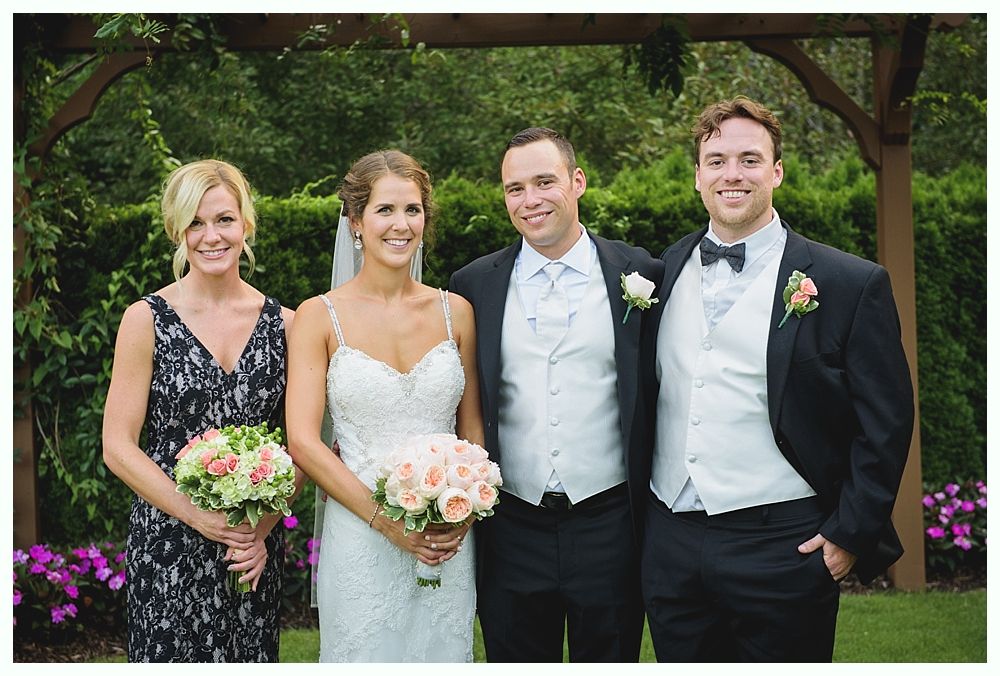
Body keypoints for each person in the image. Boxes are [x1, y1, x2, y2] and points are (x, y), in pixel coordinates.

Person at [639, 96, 914, 662]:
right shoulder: (660, 271)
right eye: (715, 160)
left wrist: (848, 533)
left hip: (784, 541)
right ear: (697, 175)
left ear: (777, 172)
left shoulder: (848, 282)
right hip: (672, 538)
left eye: (749, 159)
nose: (731, 174)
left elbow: (885, 421)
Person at [449, 127, 661, 662]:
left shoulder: (641, 273)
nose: (530, 200)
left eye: (545, 182)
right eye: (514, 188)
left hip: (610, 520)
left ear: (578, 182)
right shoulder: (473, 285)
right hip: (510, 524)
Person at [285, 149, 484, 662]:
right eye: (385, 210)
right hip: (361, 536)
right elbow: (304, 443)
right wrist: (386, 522)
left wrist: (463, 510)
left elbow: (472, 430)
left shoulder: (456, 312)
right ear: (355, 221)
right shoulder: (318, 317)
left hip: (445, 538)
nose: (401, 225)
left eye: (413, 210)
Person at [102, 159, 298, 662]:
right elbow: (118, 446)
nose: (211, 236)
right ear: (177, 230)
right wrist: (197, 516)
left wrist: (262, 529)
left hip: (248, 551)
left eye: (224, 220)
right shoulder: (146, 320)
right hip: (167, 539)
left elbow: (306, 447)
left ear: (246, 224)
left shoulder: (287, 325)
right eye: (195, 222)